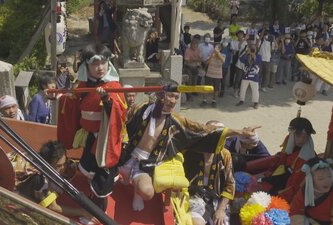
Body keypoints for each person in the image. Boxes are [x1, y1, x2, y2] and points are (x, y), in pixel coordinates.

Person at [118, 79, 259, 212]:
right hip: (126, 154)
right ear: (160, 94)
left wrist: (239, 131)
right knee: (107, 177)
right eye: (170, 96)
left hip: (146, 163)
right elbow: (119, 116)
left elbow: (204, 129)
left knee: (147, 193)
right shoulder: (141, 109)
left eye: (176, 98)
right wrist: (105, 99)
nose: (173, 101)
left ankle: (136, 189)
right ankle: (124, 175)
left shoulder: (176, 121)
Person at [73, 44, 127, 211]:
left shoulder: (113, 86)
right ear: (86, 66)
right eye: (94, 64)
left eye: (103, 63)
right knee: (90, 169)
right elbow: (73, 102)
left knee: (104, 173)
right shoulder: (83, 84)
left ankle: (98, 210)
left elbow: (120, 113)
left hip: (105, 137)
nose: (100, 68)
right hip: (89, 134)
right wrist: (58, 96)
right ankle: (93, 197)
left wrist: (107, 99)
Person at [16, 141, 98, 223]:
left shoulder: (46, 159)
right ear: (48, 164)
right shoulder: (39, 179)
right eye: (58, 166)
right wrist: (81, 212)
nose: (63, 168)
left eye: (64, 162)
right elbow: (53, 207)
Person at [184, 121, 235, 225]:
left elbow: (230, 186)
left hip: (217, 200)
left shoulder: (225, 154)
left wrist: (220, 210)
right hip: (194, 197)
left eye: (223, 137)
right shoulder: (190, 152)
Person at [260, 117, 317, 202]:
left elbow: (295, 184)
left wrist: (277, 194)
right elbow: (281, 162)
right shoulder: (289, 142)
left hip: (293, 189)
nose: (301, 140)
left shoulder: (306, 158)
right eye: (298, 136)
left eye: (305, 137)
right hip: (283, 177)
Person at [290, 158, 333, 225]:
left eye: (329, 176)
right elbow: (295, 210)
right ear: (311, 180)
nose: (327, 181)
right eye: (321, 178)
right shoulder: (305, 191)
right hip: (309, 221)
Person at [235, 43, 262, 109]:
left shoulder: (259, 56)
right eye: (251, 48)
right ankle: (241, 100)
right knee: (242, 89)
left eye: (253, 48)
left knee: (255, 90)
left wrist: (253, 54)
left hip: (254, 76)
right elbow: (241, 59)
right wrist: (246, 52)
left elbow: (257, 62)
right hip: (246, 75)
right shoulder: (246, 55)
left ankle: (256, 102)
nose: (252, 50)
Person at [201, 43, 225, 107]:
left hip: (218, 75)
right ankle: (204, 100)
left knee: (216, 89)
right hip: (209, 74)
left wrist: (218, 54)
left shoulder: (222, 55)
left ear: (220, 49)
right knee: (206, 88)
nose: (216, 49)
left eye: (218, 48)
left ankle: (214, 101)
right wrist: (212, 55)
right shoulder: (211, 55)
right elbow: (206, 62)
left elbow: (223, 60)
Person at [230, 30, 247, 97]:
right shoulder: (237, 42)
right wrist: (245, 39)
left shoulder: (246, 43)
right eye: (239, 34)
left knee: (242, 79)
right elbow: (238, 47)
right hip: (239, 62)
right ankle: (235, 91)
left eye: (242, 34)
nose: (241, 35)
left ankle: (240, 90)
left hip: (245, 63)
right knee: (238, 78)